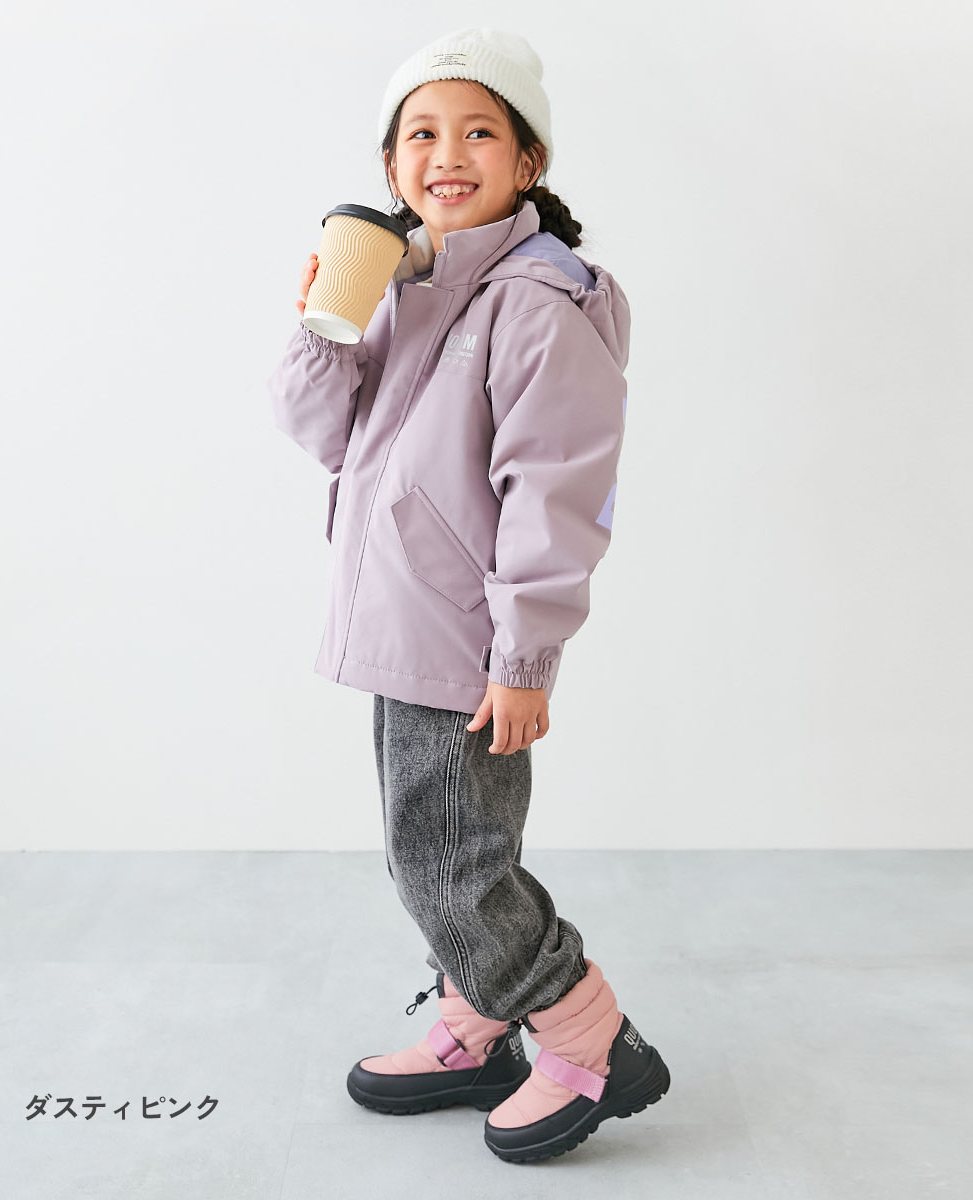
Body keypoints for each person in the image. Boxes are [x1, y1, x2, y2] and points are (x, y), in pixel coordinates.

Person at [267, 26, 670, 1164]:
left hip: (470, 641)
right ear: (391, 165)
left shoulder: (537, 303)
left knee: (451, 865)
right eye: (422, 134)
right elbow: (326, 435)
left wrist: (524, 658)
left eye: (479, 131)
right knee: (430, 846)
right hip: (403, 621)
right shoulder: (406, 287)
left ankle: (587, 1034)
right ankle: (478, 1022)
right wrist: (326, 323)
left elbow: (557, 494)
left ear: (527, 160)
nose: (447, 154)